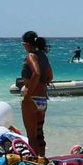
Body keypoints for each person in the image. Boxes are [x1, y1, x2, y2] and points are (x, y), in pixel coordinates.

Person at [17, 30, 54, 158]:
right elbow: (49, 77)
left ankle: (34, 163)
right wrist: (41, 85)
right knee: (39, 134)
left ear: (26, 44)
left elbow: (36, 73)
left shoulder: (31, 56)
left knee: (31, 136)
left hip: (31, 100)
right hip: (43, 100)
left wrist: (28, 95)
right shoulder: (43, 56)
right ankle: (42, 160)